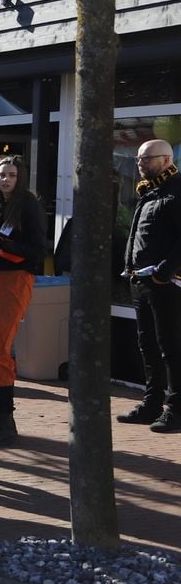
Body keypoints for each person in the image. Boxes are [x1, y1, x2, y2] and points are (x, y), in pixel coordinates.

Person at [0, 154, 46, 447]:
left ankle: (6, 420)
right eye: (2, 174)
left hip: (15, 280)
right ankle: (1, 415)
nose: (6, 179)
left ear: (21, 177)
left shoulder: (28, 205)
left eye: (11, 175)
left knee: (0, 348)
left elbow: (37, 251)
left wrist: (0, 243)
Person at [119, 139, 181, 432]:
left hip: (164, 284)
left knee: (170, 346)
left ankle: (176, 409)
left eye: (146, 159)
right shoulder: (150, 191)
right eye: (138, 160)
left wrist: (164, 272)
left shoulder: (176, 190)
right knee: (148, 345)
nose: (140, 164)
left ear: (166, 159)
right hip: (139, 281)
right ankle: (152, 403)